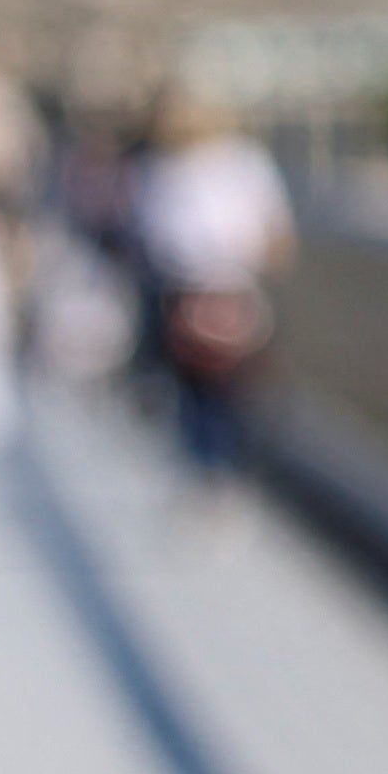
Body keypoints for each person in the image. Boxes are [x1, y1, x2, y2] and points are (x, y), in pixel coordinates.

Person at [131, 87, 298, 484]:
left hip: (235, 288)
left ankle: (225, 464)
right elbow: (155, 236)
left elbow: (275, 230)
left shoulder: (242, 161)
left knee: (238, 386)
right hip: (190, 291)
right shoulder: (166, 167)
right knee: (198, 385)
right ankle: (208, 466)